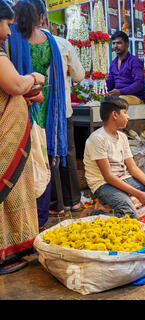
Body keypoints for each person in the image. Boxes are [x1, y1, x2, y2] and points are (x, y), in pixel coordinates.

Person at [9, 0, 67, 228]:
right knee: (38, 158)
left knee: (31, 159)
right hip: (36, 105)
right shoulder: (44, 38)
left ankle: (28, 221)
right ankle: (37, 218)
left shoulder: (13, 36)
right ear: (40, 14)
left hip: (31, 103)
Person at [0, 0, 46, 274]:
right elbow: (15, 85)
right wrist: (33, 77)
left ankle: (12, 248)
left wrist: (20, 100)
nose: (8, 32)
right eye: (6, 24)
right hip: (5, 139)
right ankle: (6, 252)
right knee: (8, 190)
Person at [84, 96, 145, 219]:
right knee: (130, 215)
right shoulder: (97, 138)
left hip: (125, 179)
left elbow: (133, 168)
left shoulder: (122, 137)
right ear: (114, 114)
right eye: (125, 113)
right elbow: (108, 177)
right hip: (104, 184)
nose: (128, 117)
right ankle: (93, 213)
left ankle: (113, 202)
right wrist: (139, 194)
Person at [41, 9, 86, 215]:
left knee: (45, 154)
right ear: (46, 19)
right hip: (61, 110)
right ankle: (74, 202)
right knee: (66, 152)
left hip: (38, 112)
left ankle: (52, 204)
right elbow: (78, 76)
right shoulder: (63, 43)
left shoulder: (22, 43)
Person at [106, 31, 145, 105]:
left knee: (116, 101)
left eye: (119, 43)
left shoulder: (135, 61)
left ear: (127, 44)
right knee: (100, 101)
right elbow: (110, 83)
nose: (115, 46)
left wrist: (120, 92)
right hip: (118, 96)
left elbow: (139, 84)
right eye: (114, 43)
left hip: (135, 97)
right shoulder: (113, 63)